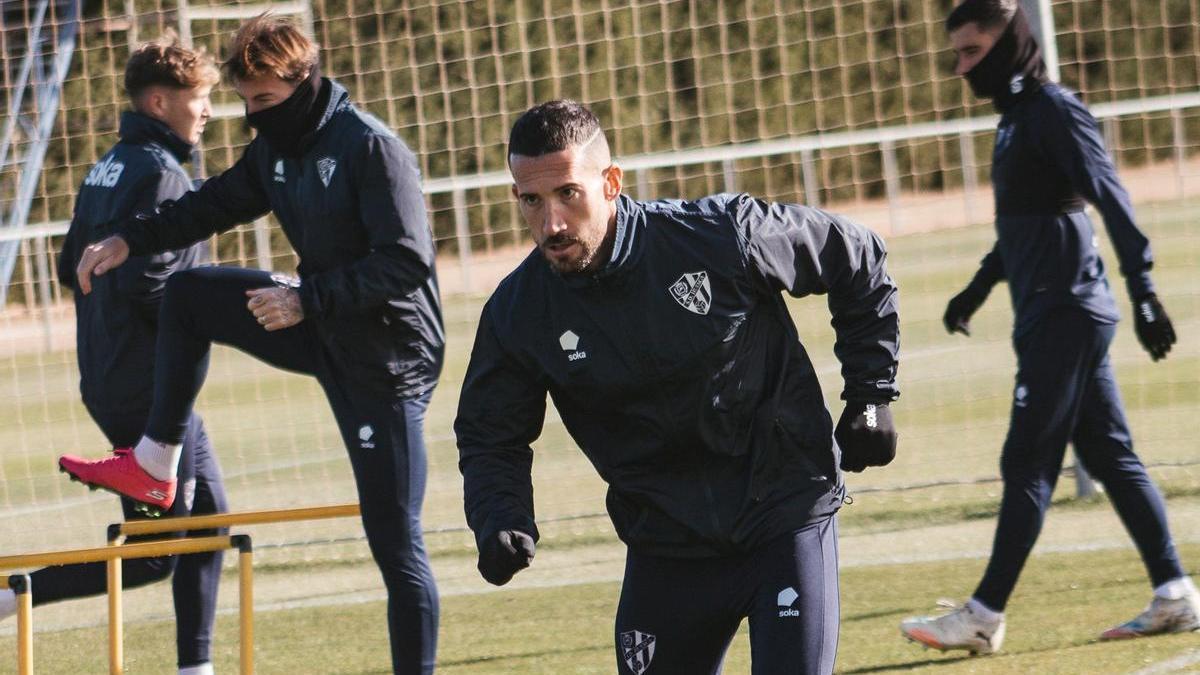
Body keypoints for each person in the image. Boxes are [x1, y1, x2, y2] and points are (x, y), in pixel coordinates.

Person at [456, 100, 900, 675]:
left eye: (569, 193)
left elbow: (855, 256)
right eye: (531, 201)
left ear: (611, 182)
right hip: (666, 546)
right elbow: (490, 434)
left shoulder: (717, 237)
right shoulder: (519, 312)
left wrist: (871, 393)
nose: (552, 224)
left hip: (783, 515)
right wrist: (499, 515)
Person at [57, 15, 443, 674]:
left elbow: (406, 261)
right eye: (244, 102)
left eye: (262, 100)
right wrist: (130, 238)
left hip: (388, 359)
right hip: (321, 329)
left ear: (304, 81)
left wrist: (305, 299)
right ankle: (157, 458)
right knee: (190, 295)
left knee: (396, 546)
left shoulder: (371, 148)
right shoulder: (275, 152)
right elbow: (208, 205)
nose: (251, 116)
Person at [899, 0, 1198, 656]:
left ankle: (982, 614)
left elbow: (1108, 192)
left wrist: (1143, 288)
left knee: (1027, 461)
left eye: (972, 52)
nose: (961, 68)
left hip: (1066, 311)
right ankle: (1175, 591)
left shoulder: (1053, 109)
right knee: (1109, 454)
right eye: (957, 55)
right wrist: (977, 287)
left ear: (1011, 41)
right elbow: (1026, 224)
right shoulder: (1014, 123)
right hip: (1048, 312)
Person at [0, 36, 228, 675]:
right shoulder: (161, 172)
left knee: (211, 521)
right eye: (199, 98)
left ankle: (196, 667)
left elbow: (72, 266)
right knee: (155, 556)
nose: (208, 111)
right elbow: (150, 285)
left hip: (114, 375)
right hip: (146, 388)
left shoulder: (108, 164)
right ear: (160, 101)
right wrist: (198, 322)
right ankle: (13, 594)